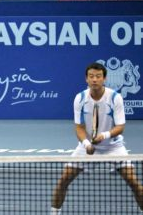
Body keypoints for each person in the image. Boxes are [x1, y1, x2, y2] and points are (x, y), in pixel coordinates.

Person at [51, 62, 143, 214]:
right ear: (86, 79)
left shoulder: (115, 98)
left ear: (104, 79)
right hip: (86, 147)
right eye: (91, 76)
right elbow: (79, 128)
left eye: (98, 76)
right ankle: (53, 213)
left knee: (133, 181)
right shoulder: (80, 98)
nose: (95, 79)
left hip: (113, 147)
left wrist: (104, 135)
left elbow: (120, 127)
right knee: (63, 180)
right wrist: (87, 144)